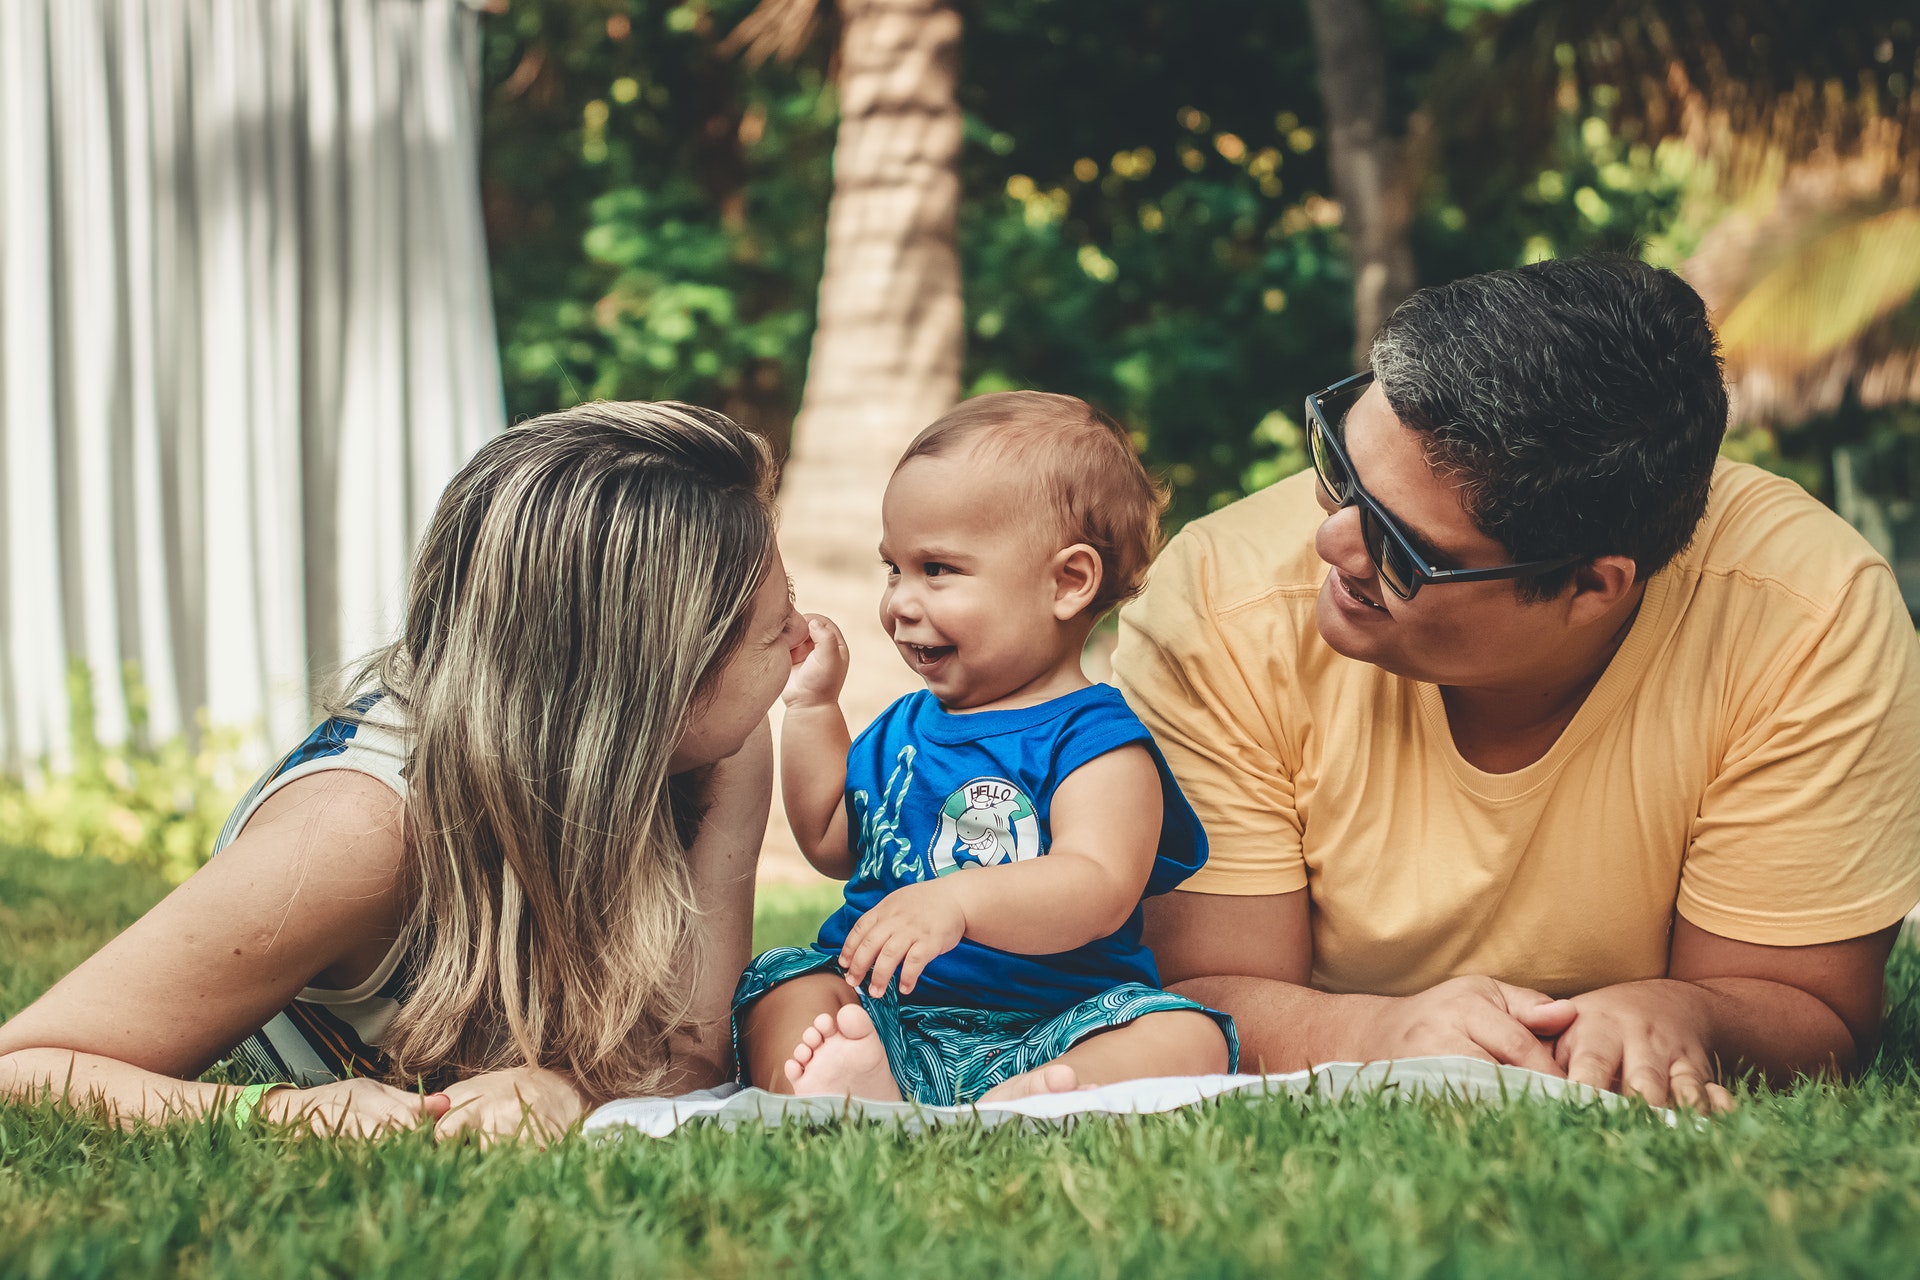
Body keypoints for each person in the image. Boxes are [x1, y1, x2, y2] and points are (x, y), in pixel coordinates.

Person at [1116, 256, 1920, 1112]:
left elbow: (1814, 1005)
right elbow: (1200, 985)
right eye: (1338, 466)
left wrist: (1688, 1015)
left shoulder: (1810, 616)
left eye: (1401, 547)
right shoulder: (1219, 602)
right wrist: (1368, 1039)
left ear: (1592, 587)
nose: (1333, 544)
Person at [0, 402, 810, 1141]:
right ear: (656, 686)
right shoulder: (359, 831)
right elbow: (28, 1065)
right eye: (777, 631)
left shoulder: (720, 752)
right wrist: (279, 1112)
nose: (809, 640)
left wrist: (571, 1092)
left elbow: (696, 1054)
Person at [737, 392, 1236, 1104]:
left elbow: (1098, 884)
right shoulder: (904, 727)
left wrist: (959, 902)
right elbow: (830, 839)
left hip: (1055, 1021)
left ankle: (1037, 1093)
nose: (901, 602)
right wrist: (813, 708)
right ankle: (854, 1084)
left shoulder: (1095, 741)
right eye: (894, 568)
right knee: (783, 985)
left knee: (1191, 1037)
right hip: (883, 1011)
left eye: (937, 569)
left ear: (1068, 582)